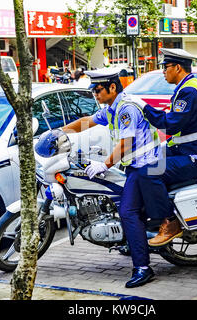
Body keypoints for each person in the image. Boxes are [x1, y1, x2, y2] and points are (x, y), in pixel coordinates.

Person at [60, 69, 161, 288]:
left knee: (127, 211)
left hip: (145, 165)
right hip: (136, 164)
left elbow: (125, 145)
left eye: (97, 90)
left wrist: (104, 164)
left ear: (112, 88)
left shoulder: (125, 109)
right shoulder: (112, 108)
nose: (95, 94)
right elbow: (87, 121)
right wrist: (61, 132)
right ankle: (130, 243)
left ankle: (143, 268)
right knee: (117, 200)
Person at [135, 48, 197, 247]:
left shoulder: (188, 92)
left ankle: (169, 222)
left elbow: (170, 124)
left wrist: (144, 107)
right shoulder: (187, 87)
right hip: (188, 148)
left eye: (166, 67)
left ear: (178, 67)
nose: (163, 71)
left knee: (148, 173)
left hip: (196, 157)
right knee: (143, 159)